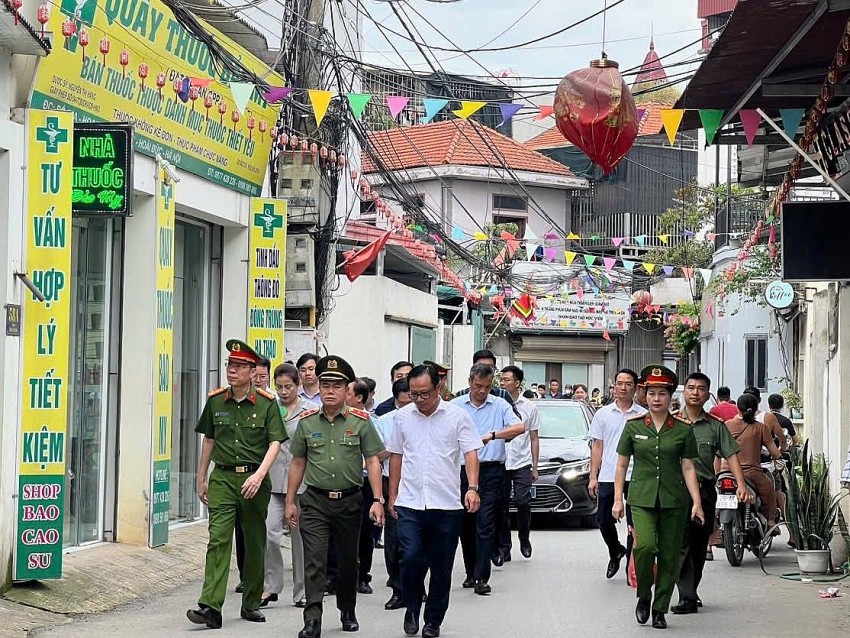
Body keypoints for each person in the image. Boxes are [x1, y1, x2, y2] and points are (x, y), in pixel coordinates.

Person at [186, 341, 286, 629]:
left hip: (254, 479)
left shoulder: (267, 404)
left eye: (240, 366)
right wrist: (201, 476)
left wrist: (259, 475)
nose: (232, 371)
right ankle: (210, 606)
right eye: (230, 365)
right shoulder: (216, 401)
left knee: (254, 540)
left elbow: (275, 442)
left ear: (253, 372)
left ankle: (251, 601)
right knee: (218, 538)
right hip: (223, 478)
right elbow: (209, 440)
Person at [286, 355, 386, 638]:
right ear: (319, 386)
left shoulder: (361, 421)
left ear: (347, 390)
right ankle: (312, 618)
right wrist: (291, 501)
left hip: (350, 500)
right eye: (325, 384)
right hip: (315, 501)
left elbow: (374, 460)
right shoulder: (306, 422)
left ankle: (347, 608)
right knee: (314, 560)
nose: (330, 390)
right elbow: (297, 462)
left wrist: (377, 500)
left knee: (347, 560)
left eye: (337, 386)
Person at [387, 365, 482, 638]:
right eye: (414, 394)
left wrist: (472, 488)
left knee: (441, 567)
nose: (419, 400)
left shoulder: (457, 417)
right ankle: (412, 606)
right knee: (411, 557)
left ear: (438, 387)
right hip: (410, 502)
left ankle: (433, 621)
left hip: (446, 505)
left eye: (424, 394)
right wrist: (392, 495)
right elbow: (396, 455)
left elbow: (471, 453)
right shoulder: (402, 417)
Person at [613, 365, 703, 630]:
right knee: (644, 547)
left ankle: (660, 608)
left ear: (670, 396)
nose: (656, 398)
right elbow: (621, 464)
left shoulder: (683, 429)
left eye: (661, 393)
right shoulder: (633, 427)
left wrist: (697, 501)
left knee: (669, 556)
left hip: (674, 500)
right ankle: (643, 594)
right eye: (651, 393)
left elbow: (688, 467)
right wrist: (618, 498)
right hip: (641, 499)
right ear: (645, 395)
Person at [672, 373, 750, 615]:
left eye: (701, 389)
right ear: (684, 391)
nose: (695, 392)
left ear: (708, 394)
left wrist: (741, 484)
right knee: (680, 543)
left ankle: (690, 592)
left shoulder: (716, 426)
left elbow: (732, 455)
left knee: (697, 544)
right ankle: (686, 596)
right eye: (691, 388)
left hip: (705, 490)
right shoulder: (671, 423)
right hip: (676, 491)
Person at [452, 363, 524, 595]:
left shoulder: (500, 405)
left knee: (485, 523)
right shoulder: (455, 406)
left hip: (491, 471)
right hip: (461, 472)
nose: (482, 391)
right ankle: (470, 572)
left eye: (486, 387)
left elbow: (519, 427)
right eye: (477, 386)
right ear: (470, 381)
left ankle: (482, 577)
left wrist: (492, 436)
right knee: (466, 524)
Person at [588, 368, 647, 580]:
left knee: (635, 523)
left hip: (636, 476)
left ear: (635, 387)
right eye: (619, 383)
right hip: (608, 475)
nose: (623, 388)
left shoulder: (643, 415)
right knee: (603, 520)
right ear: (614, 387)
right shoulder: (603, 414)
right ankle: (615, 551)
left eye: (628, 384)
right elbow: (597, 446)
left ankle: (631, 565)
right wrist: (593, 476)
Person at [261, 363, 309, 609]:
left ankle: (301, 591)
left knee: (300, 538)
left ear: (297, 385)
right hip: (273, 481)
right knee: (270, 533)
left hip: (302, 484)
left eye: (288, 386)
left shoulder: (310, 411)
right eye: (279, 387)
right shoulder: (270, 408)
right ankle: (271, 586)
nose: (283, 391)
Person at [373, 378, 413, 610]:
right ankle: (397, 589)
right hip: (392, 484)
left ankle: (416, 586)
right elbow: (375, 456)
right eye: (409, 395)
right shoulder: (385, 422)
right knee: (394, 541)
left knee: (417, 543)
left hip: (418, 483)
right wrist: (395, 447)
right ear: (398, 398)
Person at [233, 356, 271, 593]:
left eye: (262, 376)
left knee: (260, 532)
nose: (258, 379)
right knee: (241, 530)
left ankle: (259, 581)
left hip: (264, 476)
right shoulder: (229, 401)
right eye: (255, 375)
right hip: (238, 478)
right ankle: (245, 575)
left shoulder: (269, 404)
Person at [497, 365, 540, 561]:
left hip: (522, 461)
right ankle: (505, 546)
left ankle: (524, 537)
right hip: (501, 461)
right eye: (501, 379)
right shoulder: (496, 404)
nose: (502, 383)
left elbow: (534, 438)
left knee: (523, 501)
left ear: (517, 383)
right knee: (501, 506)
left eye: (506, 380)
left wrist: (535, 466)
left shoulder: (529, 407)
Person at [722, 394, 781, 531]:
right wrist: (778, 455)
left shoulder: (726, 425)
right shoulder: (760, 428)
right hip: (751, 473)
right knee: (770, 491)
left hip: (726, 471)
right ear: (756, 409)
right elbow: (774, 452)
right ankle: (771, 522)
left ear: (737, 408)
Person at [345, 377, 380, 596]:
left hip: (364, 481)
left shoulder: (370, 421)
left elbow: (380, 452)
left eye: (347, 392)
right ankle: (336, 576)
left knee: (365, 532)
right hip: (343, 482)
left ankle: (362, 577)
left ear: (359, 398)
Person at [743, 387, 788, 454]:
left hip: (742, 459)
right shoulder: (768, 417)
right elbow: (782, 438)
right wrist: (779, 452)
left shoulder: (736, 419)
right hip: (764, 459)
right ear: (760, 400)